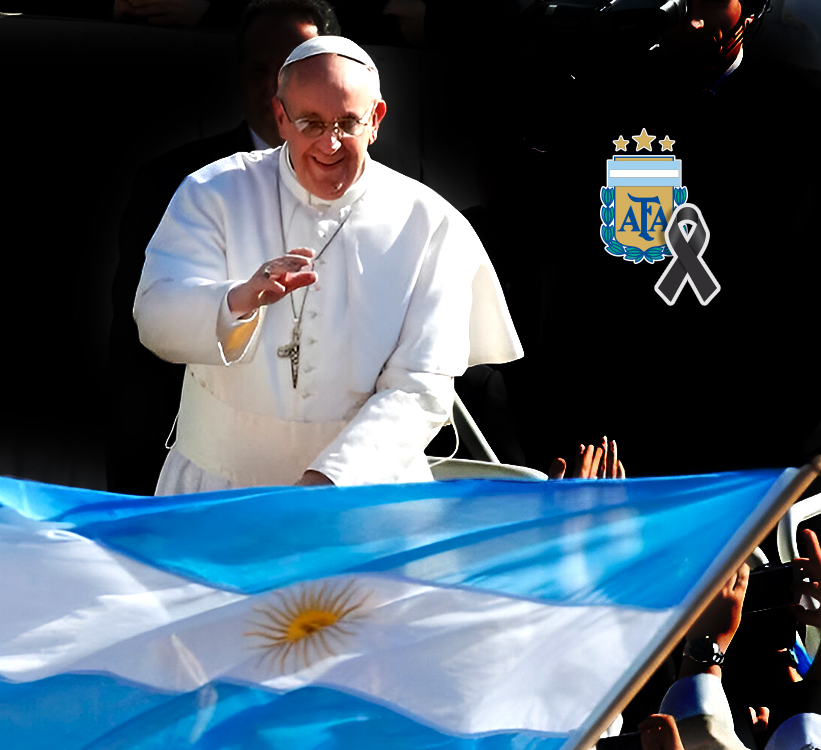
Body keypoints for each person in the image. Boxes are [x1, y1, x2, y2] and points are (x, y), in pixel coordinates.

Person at [133, 35, 521, 492]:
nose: (330, 143)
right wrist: (235, 302)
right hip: (218, 490)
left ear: (376, 119)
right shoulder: (214, 192)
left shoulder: (430, 224)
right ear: (280, 118)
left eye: (347, 123)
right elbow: (155, 316)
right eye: (310, 123)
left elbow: (420, 387)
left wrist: (329, 481)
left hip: (361, 495)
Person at [107, 0, 339, 495]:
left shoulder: (397, 189)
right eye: (259, 70)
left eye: (290, 69)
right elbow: (139, 346)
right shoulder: (174, 181)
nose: (274, 87)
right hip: (209, 470)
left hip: (333, 472)